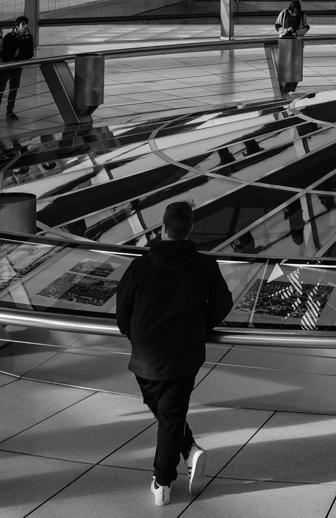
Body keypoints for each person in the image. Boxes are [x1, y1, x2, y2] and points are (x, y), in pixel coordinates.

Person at [115, 199, 232, 507]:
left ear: (161, 228)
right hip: (184, 355)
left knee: (166, 414)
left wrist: (135, 335)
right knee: (171, 414)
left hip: (146, 357)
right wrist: (198, 327)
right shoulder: (205, 266)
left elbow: (122, 312)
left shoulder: (140, 265)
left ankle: (163, 482)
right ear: (190, 230)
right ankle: (189, 451)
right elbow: (223, 305)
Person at [0, 17, 34, 120]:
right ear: (17, 26)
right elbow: (3, 52)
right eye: (23, 24)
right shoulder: (9, 37)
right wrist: (12, 56)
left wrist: (18, 59)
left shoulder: (29, 38)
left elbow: (30, 53)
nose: (25, 25)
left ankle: (10, 111)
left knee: (13, 89)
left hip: (17, 67)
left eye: (26, 24)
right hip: (7, 67)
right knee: (0, 90)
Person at [273, 1, 309, 95]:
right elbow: (277, 25)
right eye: (294, 10)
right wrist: (285, 30)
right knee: (285, 63)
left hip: (296, 41)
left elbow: (306, 27)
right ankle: (284, 86)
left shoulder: (302, 15)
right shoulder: (284, 13)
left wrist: (297, 32)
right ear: (291, 9)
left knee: (296, 64)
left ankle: (292, 86)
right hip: (285, 41)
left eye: (297, 10)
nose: (295, 12)